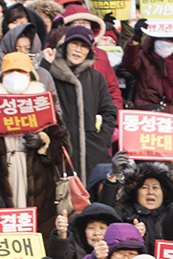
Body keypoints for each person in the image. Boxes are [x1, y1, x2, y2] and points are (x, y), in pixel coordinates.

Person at [0, 52, 71, 235]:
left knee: (38, 237)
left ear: (30, 76)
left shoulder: (45, 104)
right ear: (1, 76)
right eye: (10, 72)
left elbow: (63, 148)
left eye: (20, 72)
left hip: (39, 188)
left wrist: (43, 143)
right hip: (0, 183)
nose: (15, 76)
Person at [47, 25, 117, 180]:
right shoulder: (50, 73)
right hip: (59, 149)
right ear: (65, 46)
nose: (78, 50)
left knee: (90, 198)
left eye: (84, 46)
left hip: (91, 151)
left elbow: (109, 112)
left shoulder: (96, 77)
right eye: (74, 44)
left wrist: (102, 140)